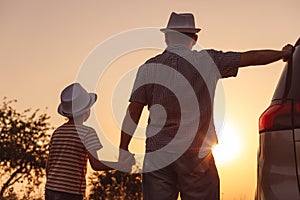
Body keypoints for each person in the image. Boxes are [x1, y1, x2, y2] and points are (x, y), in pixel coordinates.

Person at [119, 12, 294, 200]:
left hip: (158, 153)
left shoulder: (149, 68)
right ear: (194, 38)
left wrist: (123, 149)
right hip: (197, 153)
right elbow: (250, 58)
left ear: (167, 37)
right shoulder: (208, 60)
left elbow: (134, 111)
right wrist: (282, 54)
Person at [45, 83, 134, 200]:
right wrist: (120, 165)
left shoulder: (57, 132)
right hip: (71, 192)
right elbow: (95, 165)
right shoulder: (87, 133)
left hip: (51, 189)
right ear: (86, 110)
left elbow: (48, 165)